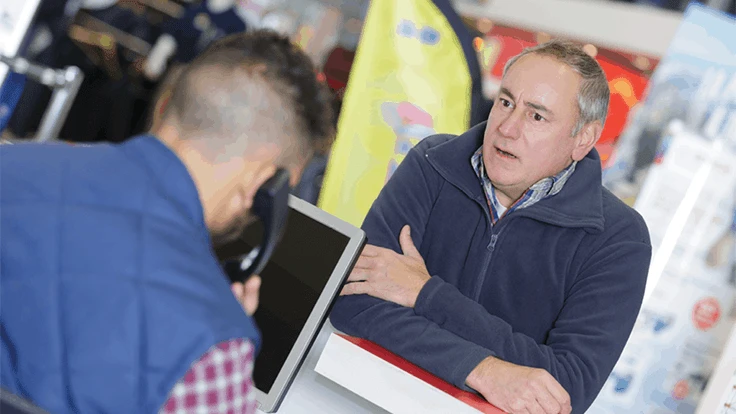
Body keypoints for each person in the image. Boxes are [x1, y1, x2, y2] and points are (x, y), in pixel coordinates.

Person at [0, 30, 334, 414]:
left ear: (162, 106)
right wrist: (218, 324)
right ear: (261, 185)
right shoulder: (212, 351)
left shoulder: (10, 161)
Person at [330, 40, 652, 414]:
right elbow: (352, 301)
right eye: (506, 102)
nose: (507, 128)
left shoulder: (618, 239)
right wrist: (483, 371)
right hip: (355, 399)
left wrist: (425, 294)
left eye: (536, 117)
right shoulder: (432, 164)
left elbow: (564, 391)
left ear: (583, 139)